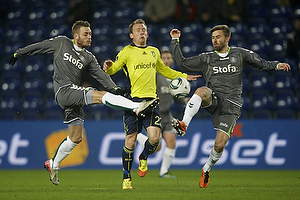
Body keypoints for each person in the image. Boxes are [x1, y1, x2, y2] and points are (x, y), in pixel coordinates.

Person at [9, 20, 159, 185]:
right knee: (100, 95)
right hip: (64, 91)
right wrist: (19, 53)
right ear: (76, 36)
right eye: (86, 34)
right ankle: (137, 107)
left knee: (76, 137)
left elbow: (100, 75)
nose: (90, 37)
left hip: (73, 96)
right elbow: (41, 46)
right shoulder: (62, 43)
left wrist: (115, 88)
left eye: (90, 34)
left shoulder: (88, 57)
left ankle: (53, 164)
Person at [169, 25, 291, 188]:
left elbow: (261, 64)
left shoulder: (240, 54)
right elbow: (183, 64)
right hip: (214, 98)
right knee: (200, 91)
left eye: (218, 37)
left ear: (227, 38)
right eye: (213, 38)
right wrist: (175, 41)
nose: (215, 40)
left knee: (219, 145)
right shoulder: (207, 58)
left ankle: (206, 169)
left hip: (231, 106)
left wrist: (276, 65)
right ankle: (183, 125)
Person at [103, 19, 200, 190]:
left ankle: (144, 156)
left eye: (143, 29)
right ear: (131, 35)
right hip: (132, 103)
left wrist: (183, 76)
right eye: (138, 30)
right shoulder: (126, 52)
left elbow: (164, 70)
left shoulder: (154, 51)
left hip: (150, 102)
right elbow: (113, 69)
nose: (141, 32)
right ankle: (126, 177)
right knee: (130, 141)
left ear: (147, 33)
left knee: (155, 138)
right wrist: (108, 67)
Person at [136, 50, 187, 178]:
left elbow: (177, 97)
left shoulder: (174, 80)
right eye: (163, 58)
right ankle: (139, 137)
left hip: (167, 115)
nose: (165, 60)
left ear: (172, 61)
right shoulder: (155, 76)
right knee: (157, 147)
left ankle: (163, 172)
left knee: (171, 141)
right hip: (155, 114)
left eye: (168, 58)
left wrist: (185, 100)